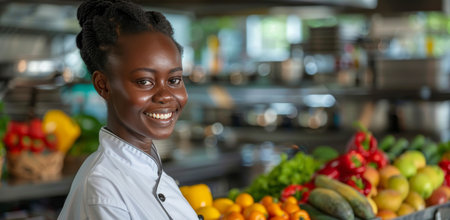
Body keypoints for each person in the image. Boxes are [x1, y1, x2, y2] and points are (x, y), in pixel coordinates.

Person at [58, 0, 199, 219]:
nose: (165, 96)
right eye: (144, 81)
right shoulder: (104, 192)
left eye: (174, 80)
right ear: (103, 85)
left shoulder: (152, 172)